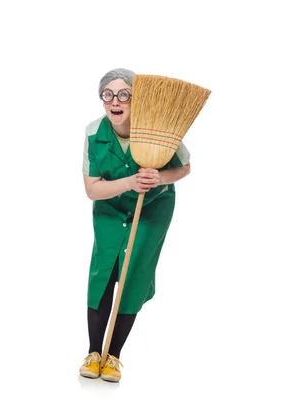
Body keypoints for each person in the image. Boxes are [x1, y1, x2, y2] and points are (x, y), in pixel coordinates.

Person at [79, 68, 191, 382]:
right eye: (108, 94)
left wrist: (160, 178)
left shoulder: (158, 126)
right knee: (104, 271)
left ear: (135, 99)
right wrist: (130, 181)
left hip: (151, 211)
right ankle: (93, 353)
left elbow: (184, 167)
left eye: (124, 94)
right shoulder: (92, 132)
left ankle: (113, 357)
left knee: (134, 271)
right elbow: (92, 189)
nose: (115, 101)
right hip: (110, 209)